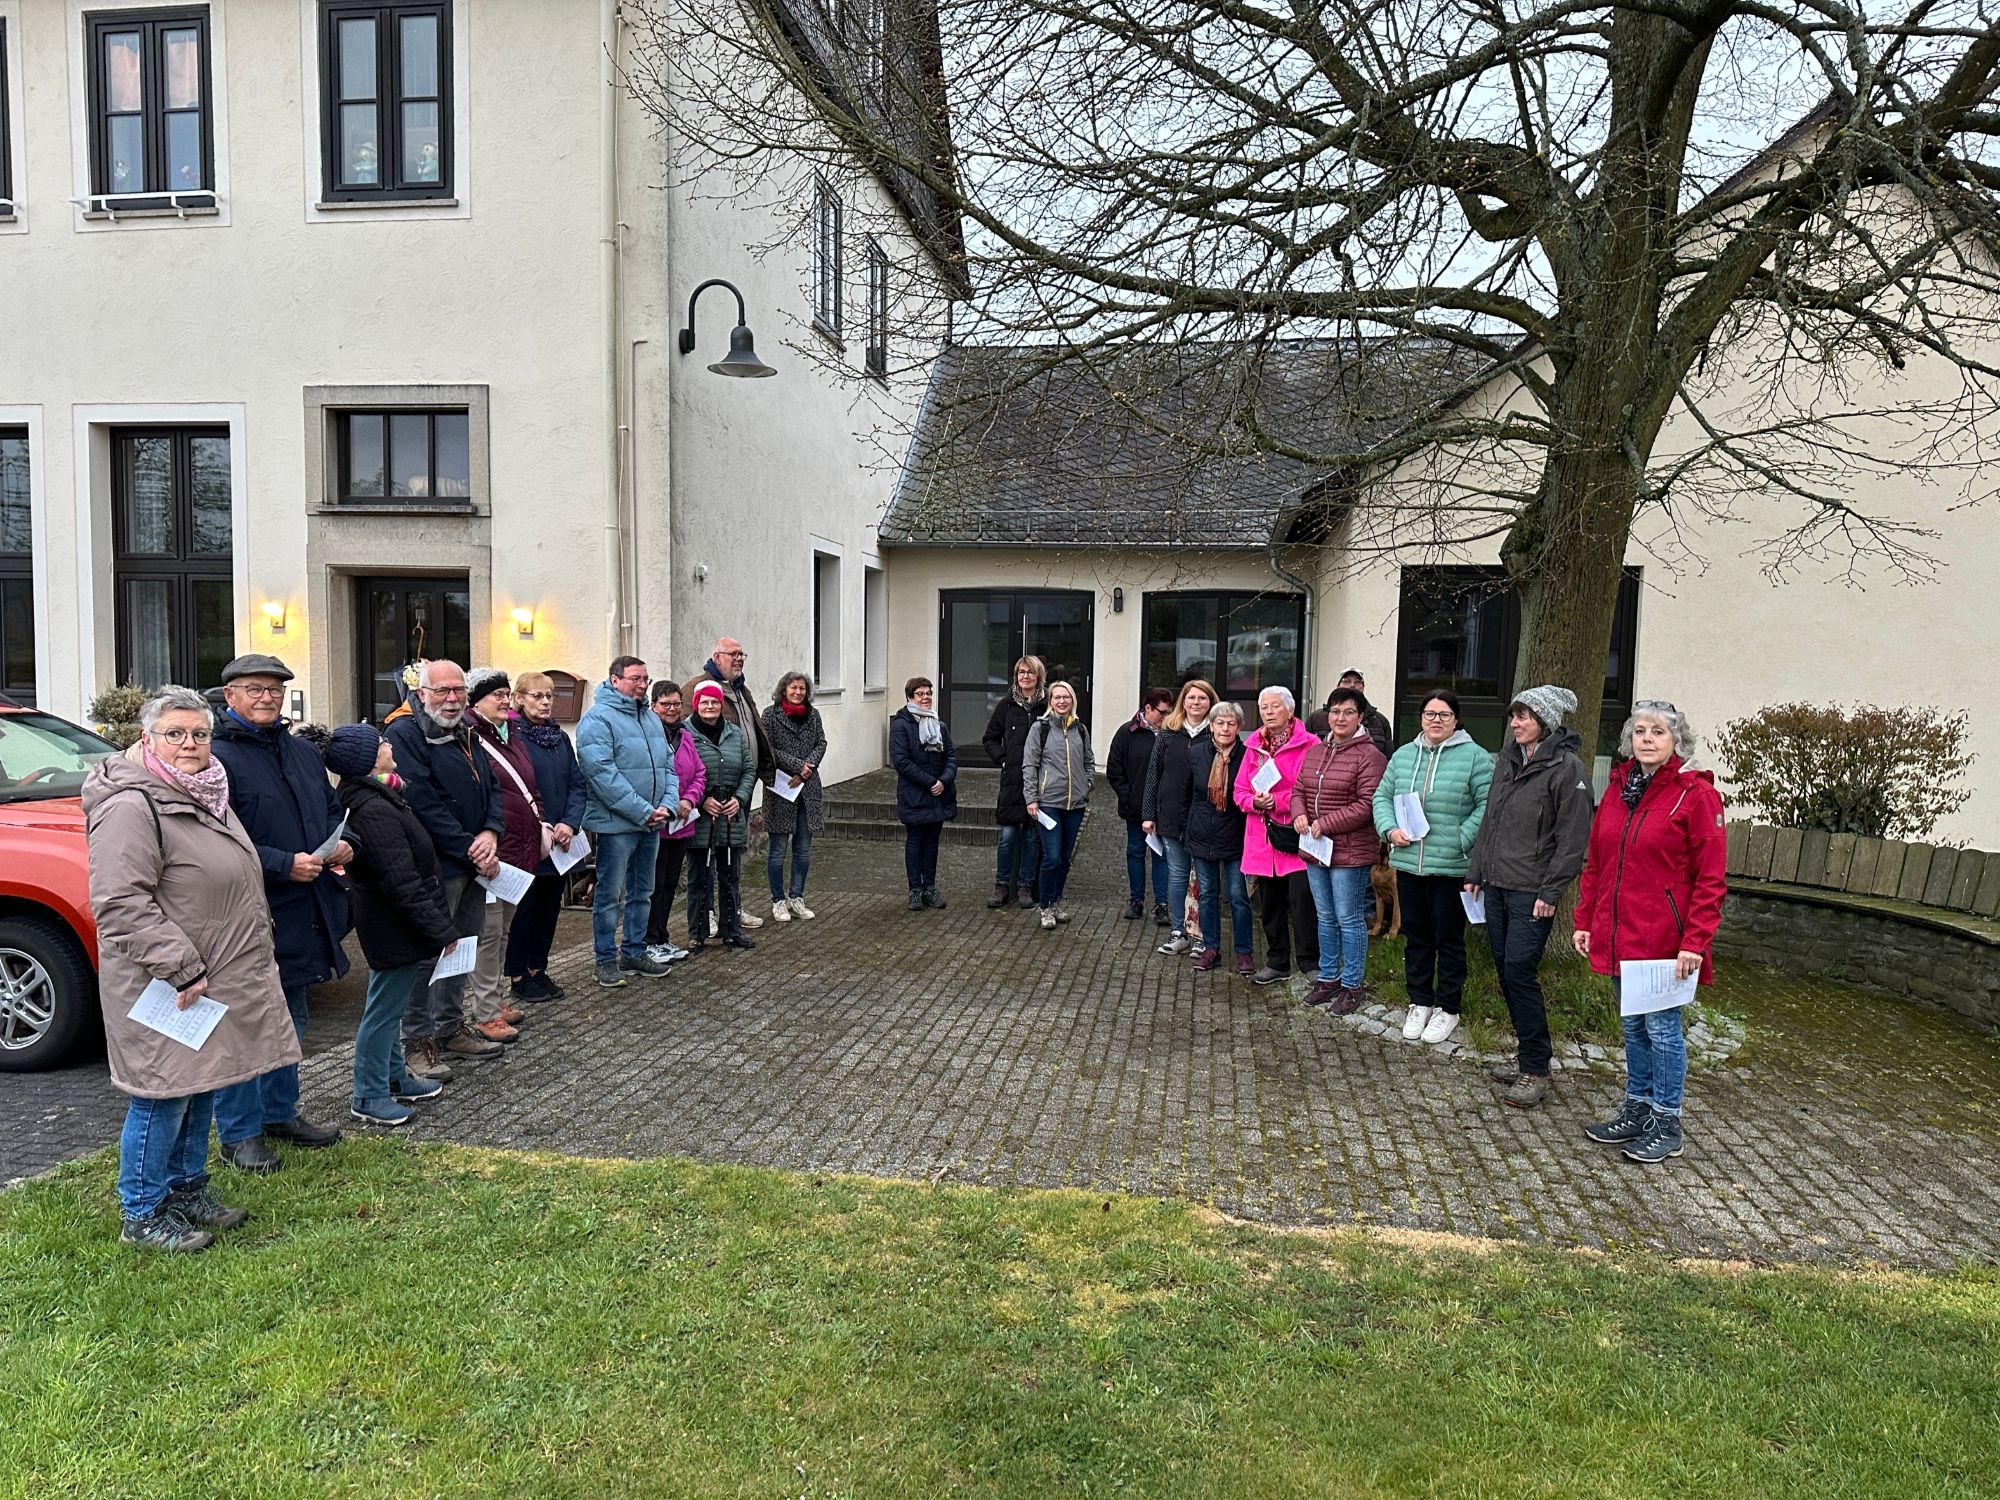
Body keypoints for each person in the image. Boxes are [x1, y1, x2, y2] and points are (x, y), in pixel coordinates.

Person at [83, 686, 301, 1251]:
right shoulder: (131, 804)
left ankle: (186, 1189)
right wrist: (178, 966)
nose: (189, 744)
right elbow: (120, 902)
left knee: (201, 1083)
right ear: (147, 738)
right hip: (164, 982)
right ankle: (142, 1213)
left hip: (209, 977)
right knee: (161, 1095)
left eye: (199, 733)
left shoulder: (205, 791)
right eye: (174, 733)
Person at [205, 653, 349, 1173]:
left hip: (305, 908)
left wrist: (345, 842)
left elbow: (331, 811)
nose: (267, 697)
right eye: (255, 689)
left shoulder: (302, 752)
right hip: (246, 913)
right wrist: (283, 864)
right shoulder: (215, 759)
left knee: (293, 1013)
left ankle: (279, 1113)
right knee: (246, 1025)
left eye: (275, 689)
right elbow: (215, 837)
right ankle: (238, 1134)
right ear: (230, 696)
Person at [1574, 701, 1728, 1165]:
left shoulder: (1695, 795)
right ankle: (1638, 1109)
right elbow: (1597, 863)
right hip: (1619, 932)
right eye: (1640, 731)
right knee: (1633, 1027)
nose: (1647, 739)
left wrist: (1695, 941)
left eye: (1658, 732)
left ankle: (1667, 1121)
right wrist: (1585, 919)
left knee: (1662, 1030)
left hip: (1664, 939)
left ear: (1677, 741)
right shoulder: (1619, 789)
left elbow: (1711, 878)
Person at [1465, 683, 1595, 1109]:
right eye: (1513, 715)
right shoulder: (1508, 760)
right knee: (1506, 969)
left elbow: (1572, 841)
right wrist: (1476, 872)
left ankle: (1536, 1069)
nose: (1515, 723)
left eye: (1523, 716)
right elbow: (1490, 821)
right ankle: (1526, 1056)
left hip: (1532, 893)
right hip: (1497, 885)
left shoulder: (1568, 769)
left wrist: (1551, 891)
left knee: (1520, 970)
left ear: (1545, 722)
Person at [324, 724, 456, 1127]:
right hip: (391, 924)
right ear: (367, 760)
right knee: (382, 1012)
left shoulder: (381, 795)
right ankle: (368, 1094)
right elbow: (401, 880)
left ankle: (394, 1077)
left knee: (390, 1006)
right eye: (381, 743)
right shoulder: (372, 808)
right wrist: (440, 930)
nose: (388, 744)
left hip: (398, 923)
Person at [382, 659, 504, 1077]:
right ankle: (417, 1041)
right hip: (437, 865)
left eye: (458, 690)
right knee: (430, 954)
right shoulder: (404, 732)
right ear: (421, 693)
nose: (452, 699)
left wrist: (491, 832)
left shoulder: (465, 730)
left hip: (473, 863)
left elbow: (492, 787)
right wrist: (471, 846)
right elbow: (421, 800)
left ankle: (450, 1027)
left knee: (465, 947)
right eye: (442, 691)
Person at [1372, 689, 1493, 1047]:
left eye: (1444, 714)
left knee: (1448, 940)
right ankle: (1420, 1001)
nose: (1436, 720)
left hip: (1451, 866)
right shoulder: (1403, 755)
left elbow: (1488, 805)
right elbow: (1382, 797)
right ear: (1421, 718)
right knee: (1417, 937)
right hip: (1409, 863)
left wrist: (1461, 838)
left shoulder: (1475, 757)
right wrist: (1389, 830)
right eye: (1429, 714)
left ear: (1456, 719)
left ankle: (1448, 1007)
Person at [577, 656, 679, 988]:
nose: (642, 685)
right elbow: (602, 775)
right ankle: (605, 960)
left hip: (651, 822)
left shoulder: (650, 718)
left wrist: (667, 805)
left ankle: (634, 951)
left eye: (646, 679)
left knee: (643, 892)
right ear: (614, 680)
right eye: (635, 678)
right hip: (617, 826)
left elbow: (668, 766)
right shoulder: (597, 720)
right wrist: (643, 811)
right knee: (609, 896)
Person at [1291, 687, 1388, 1011]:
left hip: (1350, 852)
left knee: (1349, 918)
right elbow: (1299, 789)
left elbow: (1367, 805)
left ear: (1360, 717)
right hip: (1316, 847)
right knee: (1325, 916)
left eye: (1348, 712)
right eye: (1335, 711)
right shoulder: (1316, 750)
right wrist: (1299, 814)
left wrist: (1326, 823)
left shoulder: (1370, 756)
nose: (1340, 718)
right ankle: (1329, 977)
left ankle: (1352, 985)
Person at [464, 669, 544, 1043]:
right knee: (488, 933)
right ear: (476, 700)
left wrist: (541, 822)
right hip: (493, 851)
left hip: (518, 849)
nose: (504, 700)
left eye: (506, 693)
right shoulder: (470, 737)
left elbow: (530, 785)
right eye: (496, 694)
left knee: (503, 931)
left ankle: (495, 1001)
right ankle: (485, 1012)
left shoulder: (511, 734)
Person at [506, 671, 587, 1003]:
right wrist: (544, 826)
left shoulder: (559, 738)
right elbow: (514, 791)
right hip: (531, 839)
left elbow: (577, 784)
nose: (545, 702)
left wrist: (569, 823)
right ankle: (518, 975)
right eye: (537, 696)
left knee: (549, 909)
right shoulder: (512, 738)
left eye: (549, 696)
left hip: (561, 841)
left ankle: (538, 968)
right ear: (519, 698)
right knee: (525, 911)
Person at [1234, 687, 1320, 985]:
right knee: (1270, 905)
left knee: (1302, 902)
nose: (1268, 712)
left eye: (1275, 706)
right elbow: (1239, 790)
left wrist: (1278, 801)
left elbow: (1312, 789)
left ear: (1290, 710)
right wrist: (1254, 802)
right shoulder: (1253, 746)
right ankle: (1277, 961)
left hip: (1296, 834)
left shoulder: (1310, 744)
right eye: (1264, 707)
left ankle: (1310, 962)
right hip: (1262, 837)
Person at [684, 637, 771, 928]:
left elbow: (750, 734)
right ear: (716, 656)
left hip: (738, 792)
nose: (739, 658)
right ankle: (707, 913)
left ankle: (732, 912)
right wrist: (700, 797)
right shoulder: (696, 687)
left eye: (741, 654)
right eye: (733, 654)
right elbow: (685, 745)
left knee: (732, 859)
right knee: (706, 859)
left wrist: (751, 782)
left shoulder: (740, 689)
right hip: (707, 797)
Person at [1143, 678, 1216, 954]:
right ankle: (1179, 932)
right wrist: (1148, 813)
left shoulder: (1216, 733)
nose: (1196, 702)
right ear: (1183, 701)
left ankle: (1203, 936)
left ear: (1211, 702)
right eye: (1191, 697)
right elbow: (1153, 775)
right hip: (1170, 815)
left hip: (1205, 818)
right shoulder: (1168, 733)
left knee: (1203, 880)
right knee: (1177, 876)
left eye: (1202, 698)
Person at [1182, 701, 1255, 975]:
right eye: (1220, 723)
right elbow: (1186, 794)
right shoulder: (1195, 753)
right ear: (1211, 726)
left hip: (1236, 835)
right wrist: (1184, 829)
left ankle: (1244, 952)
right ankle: (1211, 948)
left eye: (1231, 723)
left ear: (1239, 727)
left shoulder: (1248, 756)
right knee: (1208, 895)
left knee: (1238, 896)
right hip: (1202, 835)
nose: (1225, 728)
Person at [686, 680, 757, 949]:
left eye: (714, 701)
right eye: (704, 701)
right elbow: (682, 772)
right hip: (702, 815)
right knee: (699, 877)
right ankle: (698, 933)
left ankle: (731, 930)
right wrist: (702, 801)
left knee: (730, 876)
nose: (710, 706)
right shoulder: (686, 733)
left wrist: (739, 798)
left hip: (730, 815)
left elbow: (748, 770)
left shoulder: (734, 733)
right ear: (696, 705)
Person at [643, 682, 706, 965]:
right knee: (653, 885)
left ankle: (661, 936)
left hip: (681, 824)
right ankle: (647, 941)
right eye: (665, 704)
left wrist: (689, 800)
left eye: (677, 704)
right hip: (656, 823)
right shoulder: (648, 735)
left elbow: (700, 773)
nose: (672, 709)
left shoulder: (685, 736)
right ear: (653, 706)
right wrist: (668, 804)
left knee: (670, 883)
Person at [1023, 680, 1093, 930]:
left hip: (1075, 805)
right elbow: (1029, 765)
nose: (1062, 701)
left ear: (1073, 700)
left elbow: (1088, 760)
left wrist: (1088, 783)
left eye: (1066, 697)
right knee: (1051, 858)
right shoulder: (1039, 728)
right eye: (1057, 697)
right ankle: (1045, 907)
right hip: (1049, 804)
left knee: (1064, 859)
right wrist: (1031, 798)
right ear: (1050, 701)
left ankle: (1055, 903)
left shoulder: (1080, 729)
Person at [762, 672, 828, 923]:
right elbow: (768, 749)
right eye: (793, 688)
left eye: (802, 688)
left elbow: (821, 743)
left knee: (803, 849)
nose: (798, 692)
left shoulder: (814, 715)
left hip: (808, 788)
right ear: (784, 689)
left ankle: (797, 897)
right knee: (778, 850)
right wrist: (798, 766)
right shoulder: (770, 715)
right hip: (782, 788)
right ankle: (778, 900)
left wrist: (806, 769)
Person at [981, 655, 1047, 909]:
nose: (1025, 676)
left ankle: (1025, 888)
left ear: (1038, 676)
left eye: (1030, 672)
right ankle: (1001, 886)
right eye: (1021, 672)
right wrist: (1003, 760)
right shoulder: (1006, 706)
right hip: (1011, 782)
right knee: (1008, 837)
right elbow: (990, 738)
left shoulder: (1047, 706)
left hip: (1038, 783)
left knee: (1031, 838)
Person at [889, 676, 958, 909]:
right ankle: (915, 891)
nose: (926, 697)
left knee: (932, 843)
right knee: (915, 841)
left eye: (928, 693)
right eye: (920, 694)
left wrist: (944, 780)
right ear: (910, 697)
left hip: (939, 794)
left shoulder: (939, 724)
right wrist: (930, 782)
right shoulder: (901, 725)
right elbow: (901, 761)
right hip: (915, 794)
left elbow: (951, 756)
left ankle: (930, 888)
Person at [1109, 688, 1173, 923]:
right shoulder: (1127, 732)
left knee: (1161, 856)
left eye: (1169, 712)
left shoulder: (1172, 734)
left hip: (1164, 809)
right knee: (1135, 853)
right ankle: (1136, 901)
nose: (1166, 717)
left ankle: (1162, 904)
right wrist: (1129, 797)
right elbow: (1114, 769)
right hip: (1135, 809)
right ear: (1147, 708)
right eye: (1162, 712)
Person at [1307, 669, 1393, 757]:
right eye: (1346, 681)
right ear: (1338, 686)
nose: (1352, 685)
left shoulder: (1380, 721)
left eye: (1357, 682)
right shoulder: (1316, 719)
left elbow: (1388, 757)